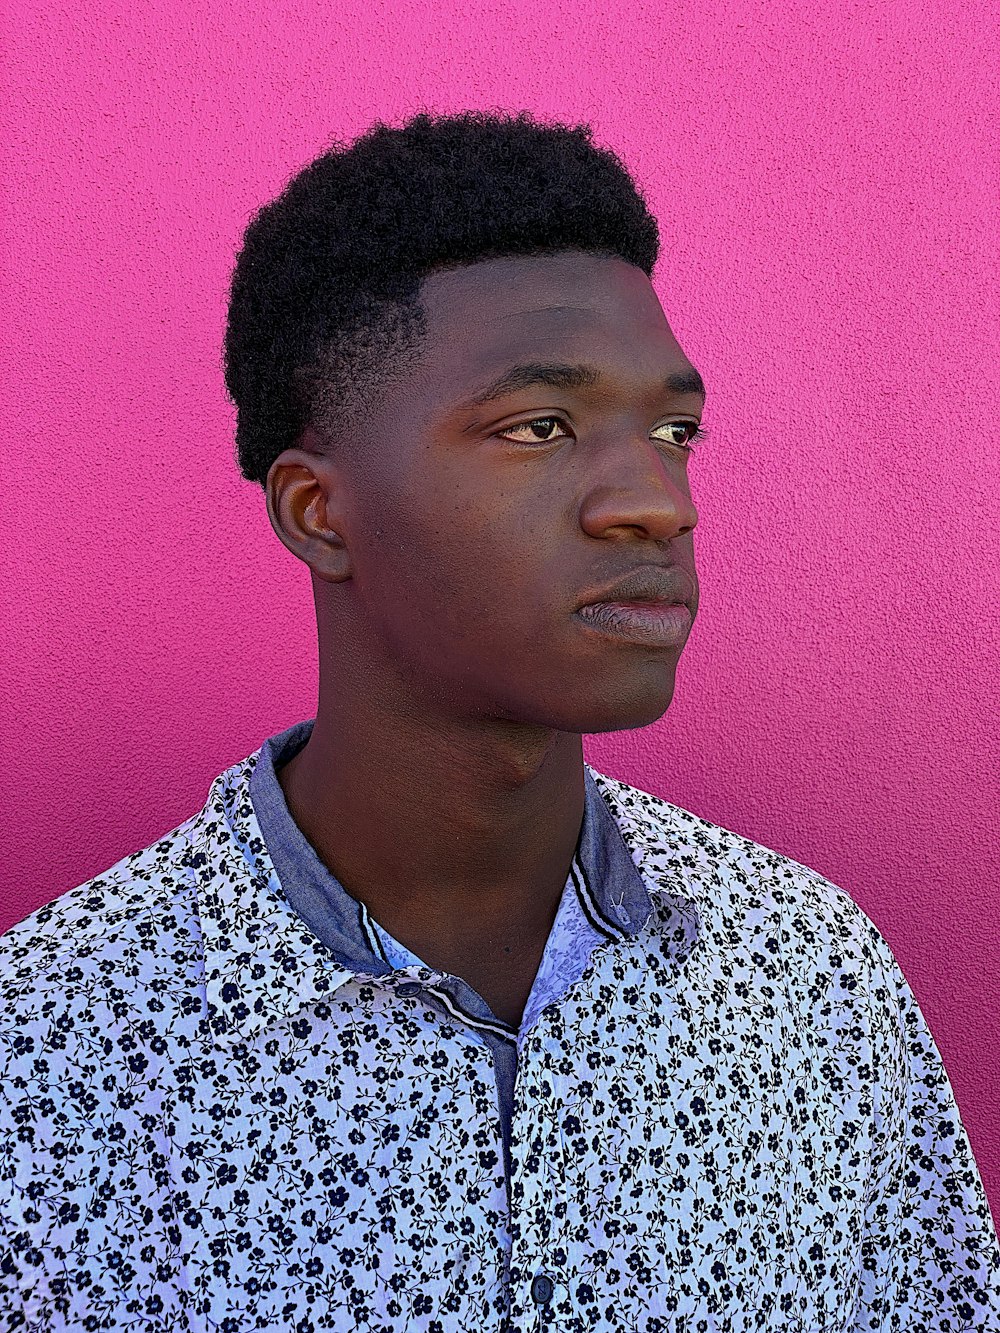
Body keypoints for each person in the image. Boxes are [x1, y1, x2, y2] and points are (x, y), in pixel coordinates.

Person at [1, 110, 997, 1333]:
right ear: (319, 512)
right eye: (539, 426)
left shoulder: (809, 973)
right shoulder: (51, 1054)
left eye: (674, 431)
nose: (655, 502)